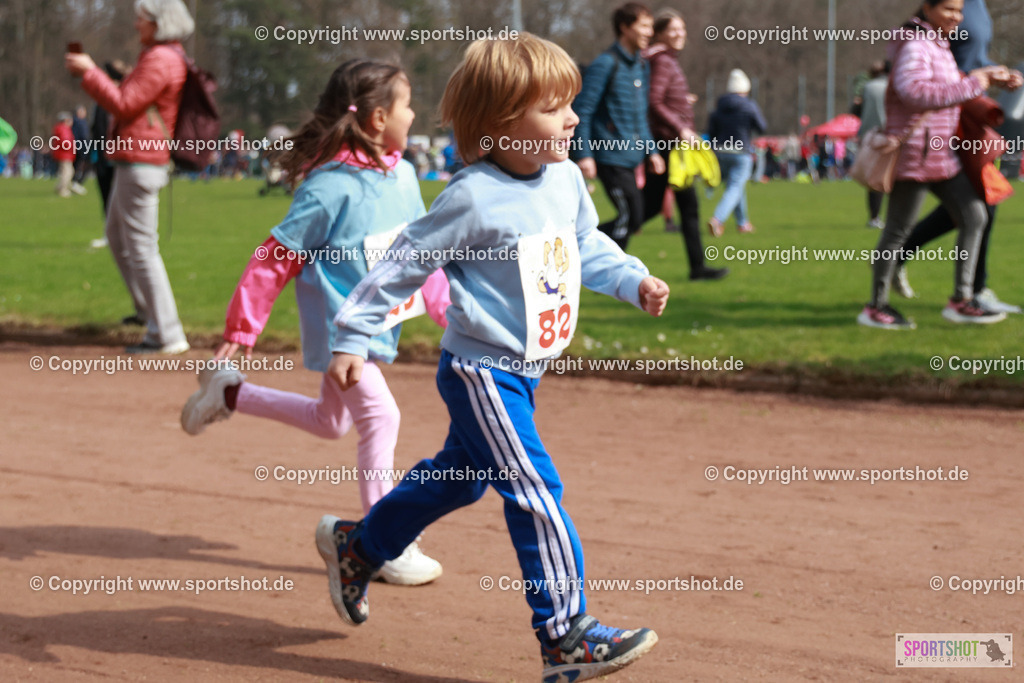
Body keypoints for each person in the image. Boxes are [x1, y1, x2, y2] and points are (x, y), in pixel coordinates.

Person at [318, 34, 667, 683]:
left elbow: (586, 244)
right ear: (503, 122)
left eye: (569, 105)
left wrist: (632, 278)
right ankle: (565, 632)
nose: (571, 117)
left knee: (462, 476)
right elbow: (401, 264)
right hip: (482, 371)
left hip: (526, 372)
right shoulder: (472, 196)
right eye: (554, 107)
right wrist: (352, 335)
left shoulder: (564, 178)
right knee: (535, 488)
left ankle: (359, 546)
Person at [179, 59, 449, 585]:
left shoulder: (405, 173)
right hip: (340, 330)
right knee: (381, 418)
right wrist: (241, 330)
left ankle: (230, 395)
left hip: (376, 327)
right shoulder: (329, 186)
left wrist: (448, 309)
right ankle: (380, 543)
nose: (415, 114)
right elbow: (273, 256)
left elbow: (420, 251)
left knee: (333, 422)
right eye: (407, 104)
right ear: (376, 118)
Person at [857, 0, 1016, 329]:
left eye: (959, 11)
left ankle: (961, 300)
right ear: (926, 8)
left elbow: (950, 84)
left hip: (941, 155)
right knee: (897, 231)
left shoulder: (937, 43)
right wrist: (974, 84)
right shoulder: (915, 44)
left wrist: (988, 76)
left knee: (975, 215)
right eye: (949, 10)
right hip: (915, 155)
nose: (957, 17)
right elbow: (912, 91)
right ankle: (876, 307)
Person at [65, 0, 193, 354]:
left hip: (141, 160)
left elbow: (124, 103)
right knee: (118, 237)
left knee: (140, 248)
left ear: (158, 22)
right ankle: (150, 316)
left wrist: (91, 72)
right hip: (136, 159)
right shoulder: (162, 55)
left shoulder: (161, 59)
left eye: (142, 18)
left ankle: (166, 332)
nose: (136, 24)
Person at [641, 9, 728, 281]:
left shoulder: (663, 60)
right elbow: (653, 102)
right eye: (673, 29)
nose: (680, 34)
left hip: (671, 143)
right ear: (659, 33)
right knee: (655, 207)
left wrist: (681, 100)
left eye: (682, 29)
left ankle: (697, 267)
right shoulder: (663, 61)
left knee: (672, 206)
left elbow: (660, 97)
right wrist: (681, 127)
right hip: (670, 145)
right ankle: (597, 240)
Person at [572, 2, 665, 250]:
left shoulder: (640, 66)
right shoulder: (605, 64)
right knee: (631, 216)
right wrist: (584, 155)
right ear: (624, 27)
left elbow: (640, 116)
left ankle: (575, 250)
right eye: (643, 26)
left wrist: (652, 151)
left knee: (635, 215)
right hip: (608, 155)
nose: (649, 32)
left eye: (650, 26)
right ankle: (584, 256)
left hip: (630, 157)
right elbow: (583, 111)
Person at [707, 69, 766, 236]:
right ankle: (717, 220)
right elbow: (762, 126)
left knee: (736, 186)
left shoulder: (719, 107)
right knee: (734, 187)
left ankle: (743, 223)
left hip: (720, 152)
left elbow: (711, 131)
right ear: (745, 89)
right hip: (741, 152)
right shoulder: (749, 106)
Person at [90, 61, 128, 250]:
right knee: (110, 198)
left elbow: (103, 130)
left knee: (113, 197)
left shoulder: (111, 100)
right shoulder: (106, 99)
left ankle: (116, 235)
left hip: (110, 157)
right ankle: (113, 234)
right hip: (105, 155)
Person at [858, 61, 890, 229]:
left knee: (874, 181)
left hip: (869, 136)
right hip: (890, 135)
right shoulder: (893, 86)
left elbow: (855, 111)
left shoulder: (868, 87)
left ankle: (874, 217)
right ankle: (894, 218)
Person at [51, 112, 76, 198]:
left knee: (67, 171)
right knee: (67, 172)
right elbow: (65, 142)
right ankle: (62, 189)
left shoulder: (62, 128)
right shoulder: (63, 129)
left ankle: (60, 187)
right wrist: (73, 146)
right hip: (65, 154)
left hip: (64, 154)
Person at [71, 105, 90, 194]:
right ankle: (75, 183)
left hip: (76, 147)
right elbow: (84, 136)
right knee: (81, 165)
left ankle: (74, 183)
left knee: (76, 166)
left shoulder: (74, 122)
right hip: (81, 147)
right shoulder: (80, 122)